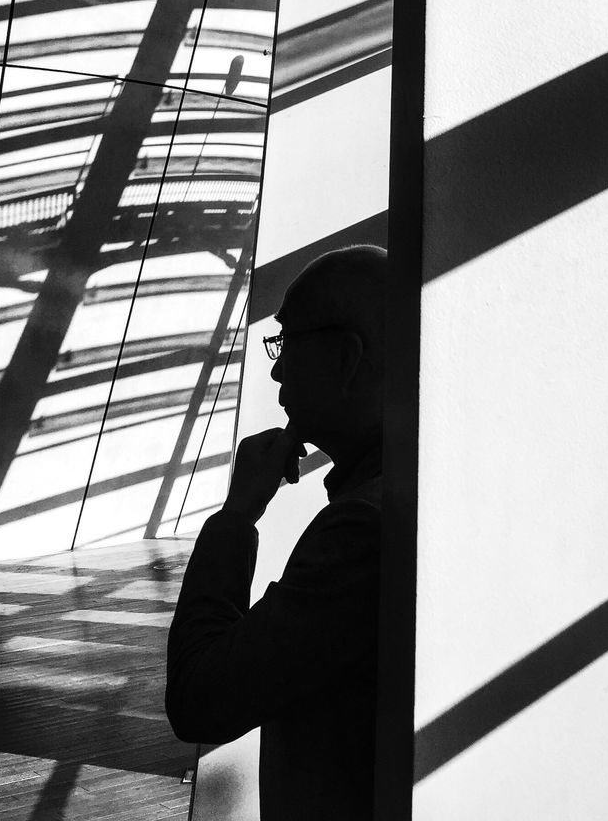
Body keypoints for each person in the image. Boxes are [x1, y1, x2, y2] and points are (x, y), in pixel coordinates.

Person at [165, 245, 387, 821]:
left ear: (346, 356)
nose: (277, 368)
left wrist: (237, 515)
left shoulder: (362, 531)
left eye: (288, 343)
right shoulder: (397, 494)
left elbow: (199, 697)